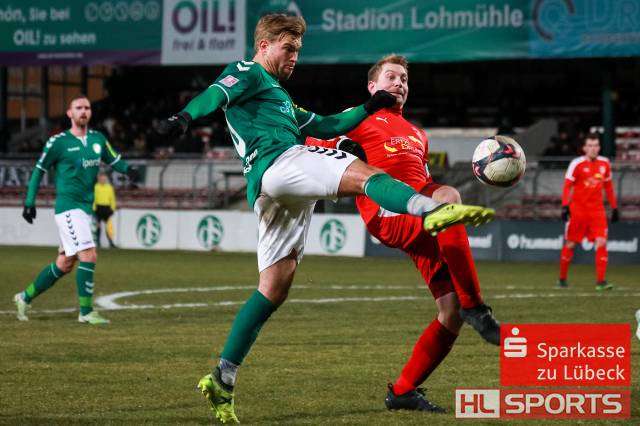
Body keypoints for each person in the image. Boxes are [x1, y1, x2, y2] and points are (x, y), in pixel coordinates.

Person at [158, 14, 494, 424]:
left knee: (273, 288)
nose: (294, 57)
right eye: (288, 48)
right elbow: (216, 94)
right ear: (263, 46)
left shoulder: (280, 98)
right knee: (366, 175)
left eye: (298, 51)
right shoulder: (247, 71)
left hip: (270, 190)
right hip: (280, 162)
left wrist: (369, 107)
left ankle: (222, 378)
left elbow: (326, 124)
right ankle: (430, 209)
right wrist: (184, 117)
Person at [306, 54, 501, 413]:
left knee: (450, 311)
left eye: (404, 80)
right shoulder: (357, 118)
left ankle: (403, 391)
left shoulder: (417, 134)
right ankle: (477, 307)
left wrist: (437, 196)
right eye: (391, 77)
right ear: (372, 86)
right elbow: (311, 141)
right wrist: (342, 152)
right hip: (388, 213)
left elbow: (424, 182)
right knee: (448, 202)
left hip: (422, 215)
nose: (399, 84)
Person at [14, 95, 136, 324]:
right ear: (70, 113)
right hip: (68, 207)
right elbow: (39, 170)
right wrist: (29, 202)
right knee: (89, 254)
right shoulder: (58, 142)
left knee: (65, 263)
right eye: (78, 108)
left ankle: (24, 297)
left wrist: (129, 170)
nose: (83, 111)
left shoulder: (98, 139)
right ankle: (86, 312)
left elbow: (114, 159)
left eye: (87, 107)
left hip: (84, 209)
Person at [558, 133, 619, 290]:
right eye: (590, 145)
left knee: (602, 242)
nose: (593, 148)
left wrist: (614, 207)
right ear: (584, 148)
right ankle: (562, 279)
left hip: (597, 211)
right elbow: (567, 186)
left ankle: (601, 282)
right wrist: (565, 206)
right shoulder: (576, 164)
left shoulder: (605, 163)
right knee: (570, 244)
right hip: (578, 211)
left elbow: (609, 187)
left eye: (596, 145)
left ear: (599, 147)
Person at [94, 172, 118, 248]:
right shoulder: (95, 187)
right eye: (101, 178)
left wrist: (112, 209)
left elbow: (112, 199)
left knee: (109, 226)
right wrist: (94, 209)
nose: (103, 180)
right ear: (99, 179)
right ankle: (98, 243)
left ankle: (111, 243)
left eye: (104, 178)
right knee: (98, 226)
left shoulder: (109, 187)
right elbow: (94, 199)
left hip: (107, 208)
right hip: (98, 208)